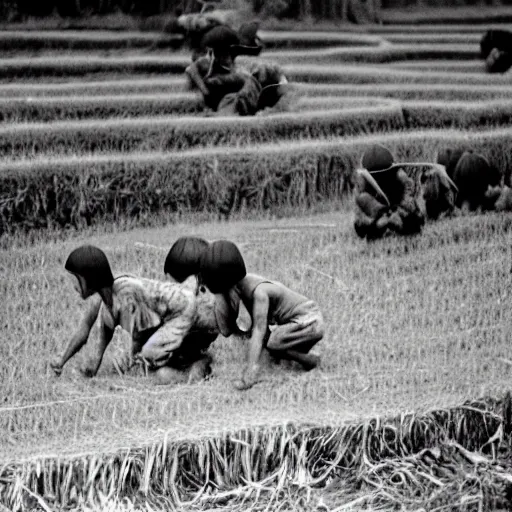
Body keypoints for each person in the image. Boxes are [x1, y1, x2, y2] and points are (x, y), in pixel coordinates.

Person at [50, 245, 221, 385]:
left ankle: (196, 368)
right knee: (147, 363)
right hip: (175, 308)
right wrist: (64, 362)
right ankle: (187, 362)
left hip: (183, 308)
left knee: (150, 360)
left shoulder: (124, 295)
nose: (72, 285)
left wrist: (134, 361)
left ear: (91, 279)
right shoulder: (105, 305)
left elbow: (144, 333)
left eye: (76, 279)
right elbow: (90, 341)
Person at [199, 240, 324, 391]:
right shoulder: (241, 286)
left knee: (272, 341)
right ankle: (301, 358)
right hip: (299, 323)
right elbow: (228, 328)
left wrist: (250, 374)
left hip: (310, 321)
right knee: (269, 341)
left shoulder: (260, 293)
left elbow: (259, 331)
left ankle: (311, 360)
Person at [353, 145, 426, 240]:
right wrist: (380, 217)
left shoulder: (401, 178)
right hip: (378, 215)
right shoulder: (362, 185)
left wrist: (399, 213)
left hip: (398, 208)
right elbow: (360, 219)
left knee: (413, 219)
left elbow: (411, 206)